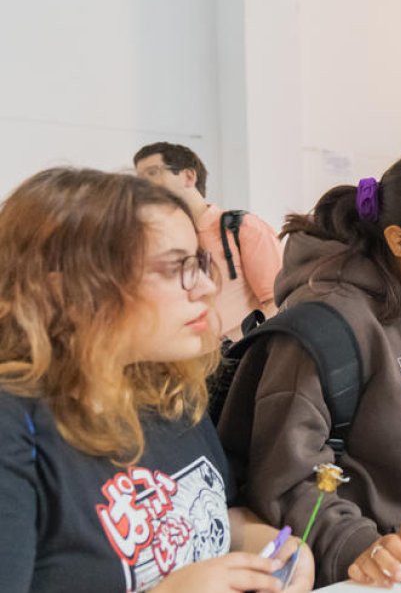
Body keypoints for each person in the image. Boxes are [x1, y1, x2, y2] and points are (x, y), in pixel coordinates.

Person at [0, 168, 313, 592]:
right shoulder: (15, 427)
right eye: (174, 268)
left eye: (199, 263)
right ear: (67, 292)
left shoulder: (168, 392)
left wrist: (274, 548)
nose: (204, 286)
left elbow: (216, 517)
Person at [222, 147, 401, 588]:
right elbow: (284, 477)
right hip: (354, 577)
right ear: (398, 240)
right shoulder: (325, 324)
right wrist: (359, 545)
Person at [135, 142, 284, 339]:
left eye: (153, 173)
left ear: (189, 176)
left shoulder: (242, 227)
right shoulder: (164, 240)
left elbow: (276, 302)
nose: (144, 186)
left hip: (240, 359)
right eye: (139, 179)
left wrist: (234, 346)